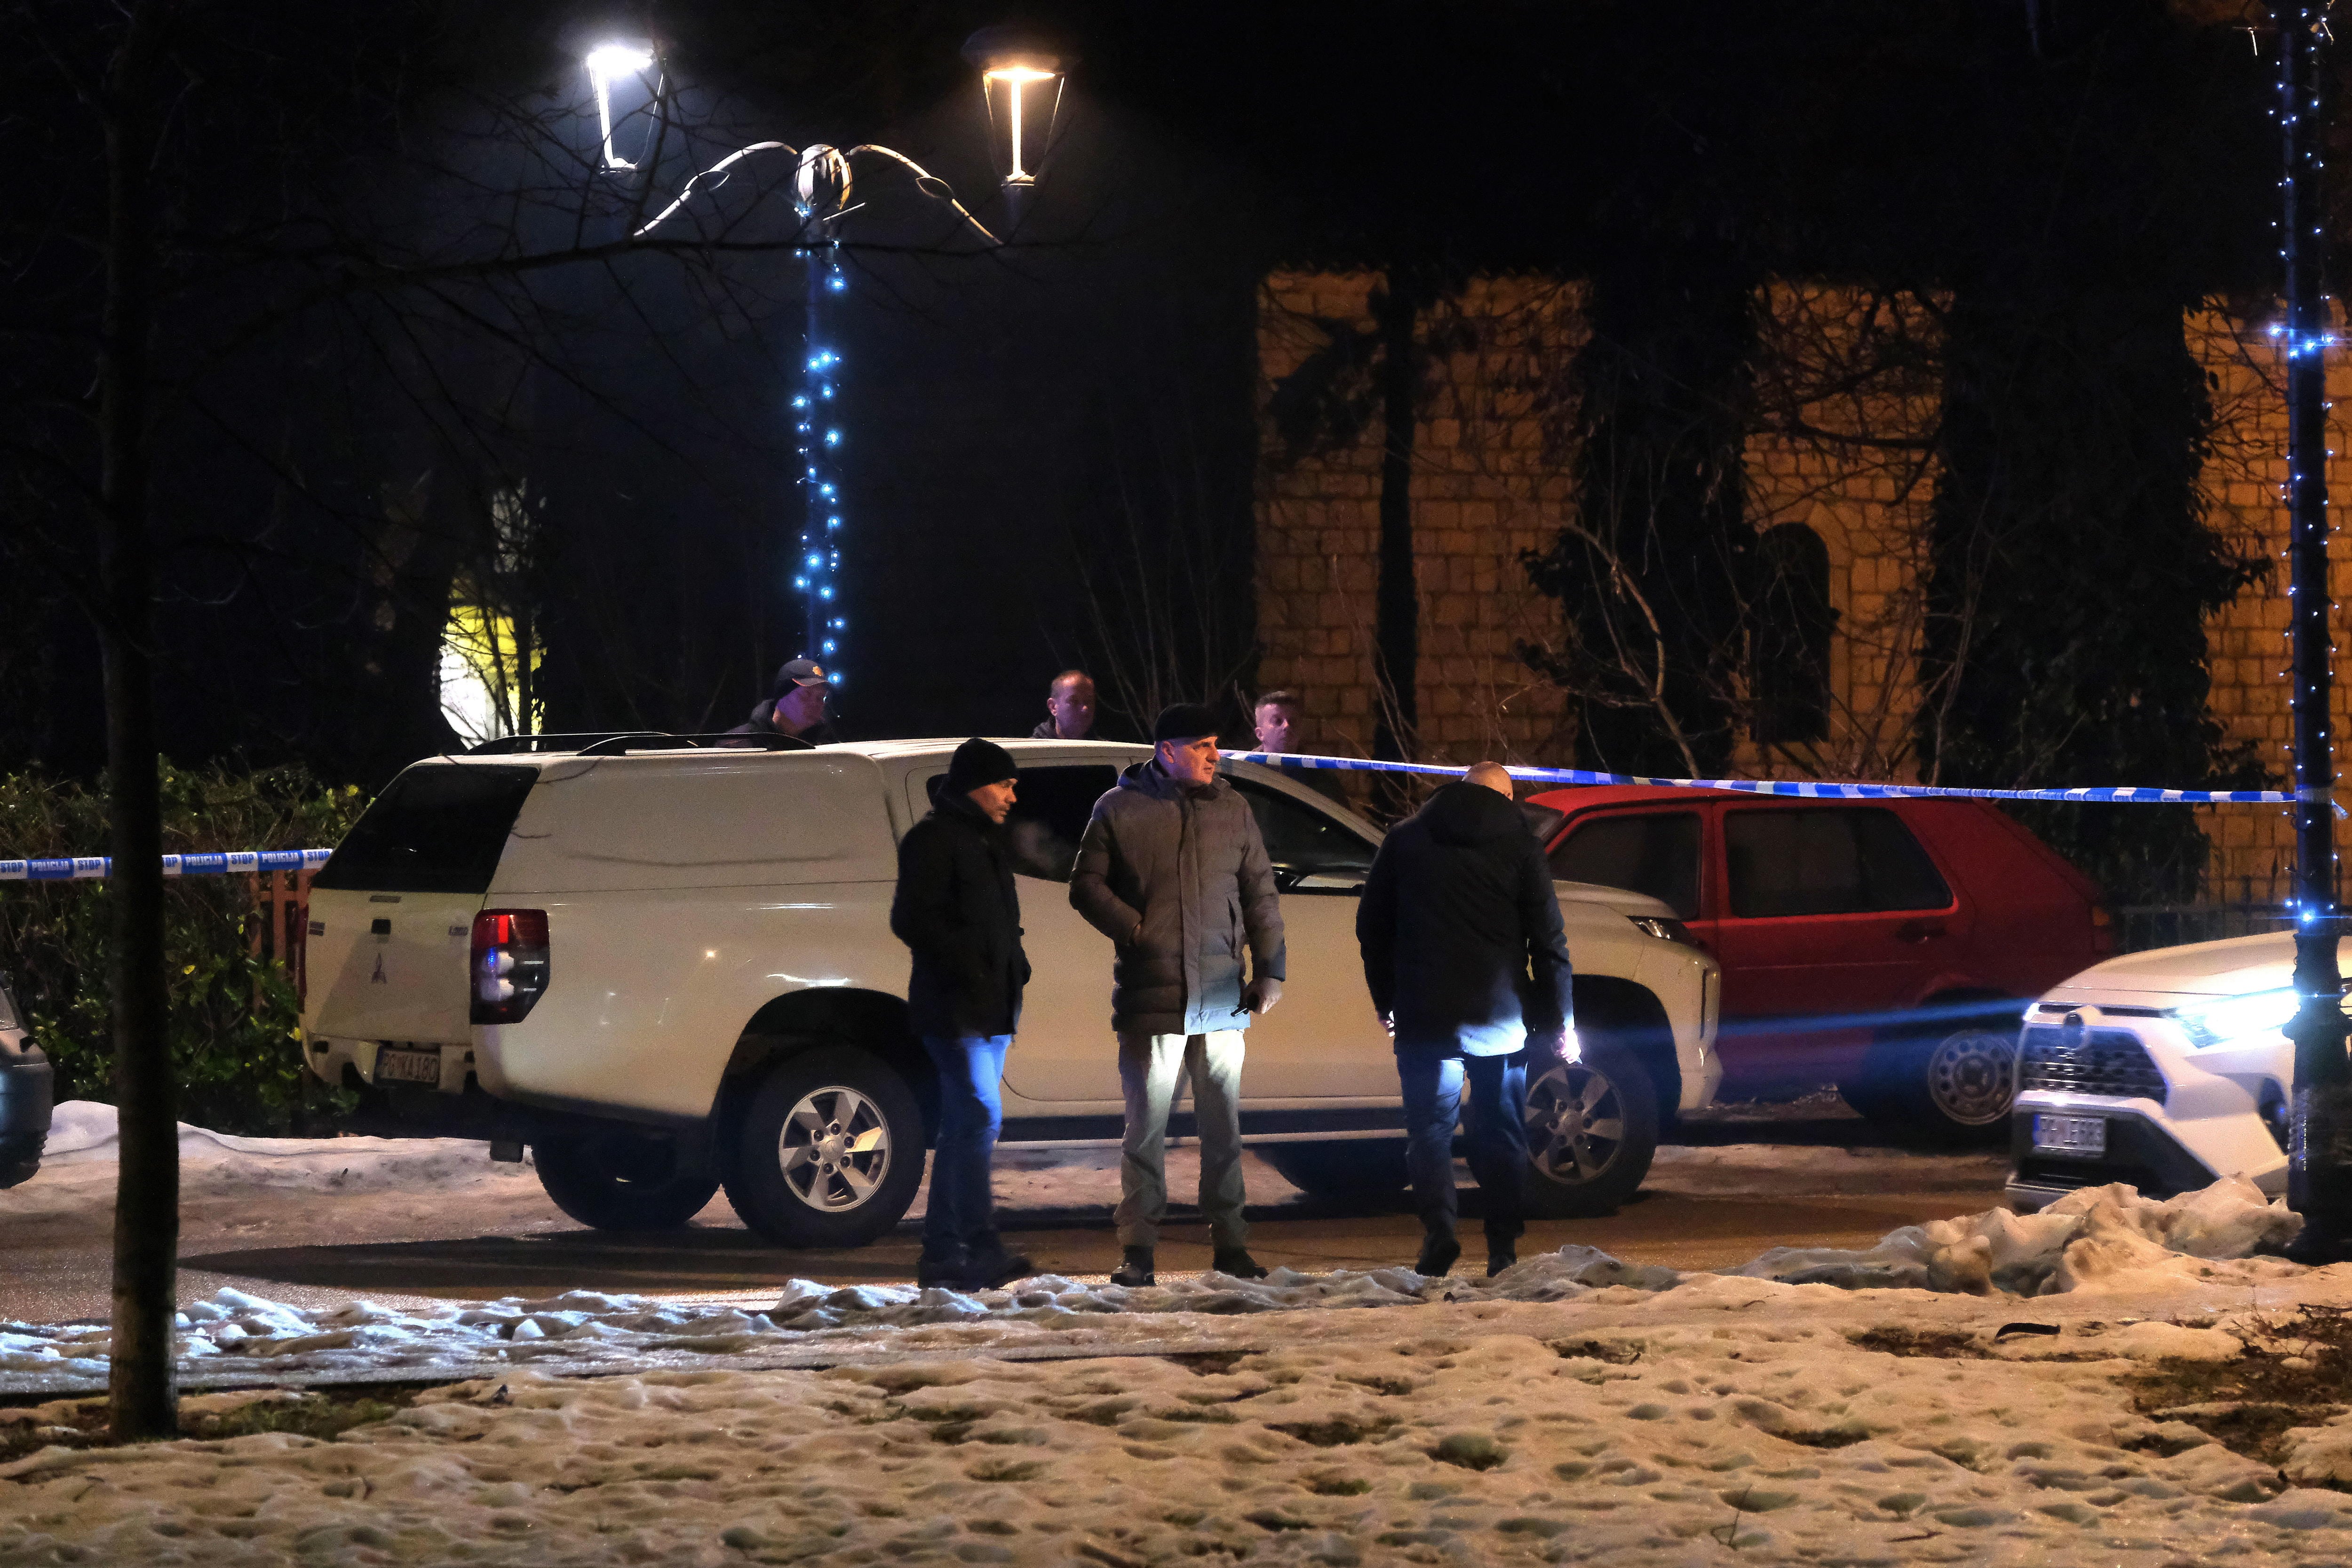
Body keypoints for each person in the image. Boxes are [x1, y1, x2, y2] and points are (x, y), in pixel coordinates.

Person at [1070, 702, 1285, 1286]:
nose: (1216, 756)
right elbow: (1084, 884)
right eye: (1202, 746)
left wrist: (1270, 972)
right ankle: (1138, 1250)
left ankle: (1231, 1246)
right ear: (1166, 751)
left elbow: (1261, 894)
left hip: (1221, 1001)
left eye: (1216, 745)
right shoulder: (1118, 808)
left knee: (1223, 1133)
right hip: (1152, 1000)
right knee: (1144, 1133)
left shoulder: (1233, 810)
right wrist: (1136, 930)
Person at [1356, 759, 1574, 1281]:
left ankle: (1440, 1235)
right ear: (1506, 796)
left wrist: (1386, 1000)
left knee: (1429, 1133)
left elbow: (1371, 928)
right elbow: (1548, 941)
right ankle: (1501, 1247)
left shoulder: (1403, 840)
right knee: (1500, 1130)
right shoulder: (1521, 844)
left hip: (1424, 1015)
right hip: (1499, 1018)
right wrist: (1560, 1017)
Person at [889, 738, 1035, 1290]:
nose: (1012, 796)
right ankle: (978, 1246)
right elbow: (912, 920)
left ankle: (943, 1254)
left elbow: (997, 921)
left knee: (965, 1126)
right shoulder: (934, 840)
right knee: (976, 1120)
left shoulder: (981, 840)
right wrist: (970, 969)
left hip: (988, 1005)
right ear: (975, 785)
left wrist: (1013, 966)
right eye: (1004, 784)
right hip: (956, 1009)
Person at [1252, 690, 1351, 806]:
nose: (1287, 726)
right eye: (1278, 721)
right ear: (1260, 734)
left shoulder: (1321, 778)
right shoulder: (1245, 774)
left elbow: (1337, 820)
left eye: (1292, 721)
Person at [729, 657, 840, 744]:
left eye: (821, 698)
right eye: (806, 695)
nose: (816, 704)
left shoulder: (826, 746)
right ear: (781, 696)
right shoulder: (735, 746)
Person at [1031, 669, 1099, 740]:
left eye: (1089, 701)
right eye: (1074, 701)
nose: (1085, 708)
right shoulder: (1032, 750)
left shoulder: (1103, 749)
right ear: (1053, 707)